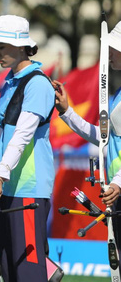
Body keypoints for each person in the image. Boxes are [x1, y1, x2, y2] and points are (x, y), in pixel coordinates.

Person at [0, 15, 56, 281]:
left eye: (2, 46)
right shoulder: (11, 81)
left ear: (22, 46)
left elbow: (23, 135)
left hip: (27, 190)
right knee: (6, 270)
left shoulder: (36, 83)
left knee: (28, 272)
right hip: (8, 188)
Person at [53, 20, 121, 223]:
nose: (108, 54)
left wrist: (118, 183)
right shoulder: (118, 94)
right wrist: (67, 112)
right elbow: (102, 138)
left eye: (114, 48)